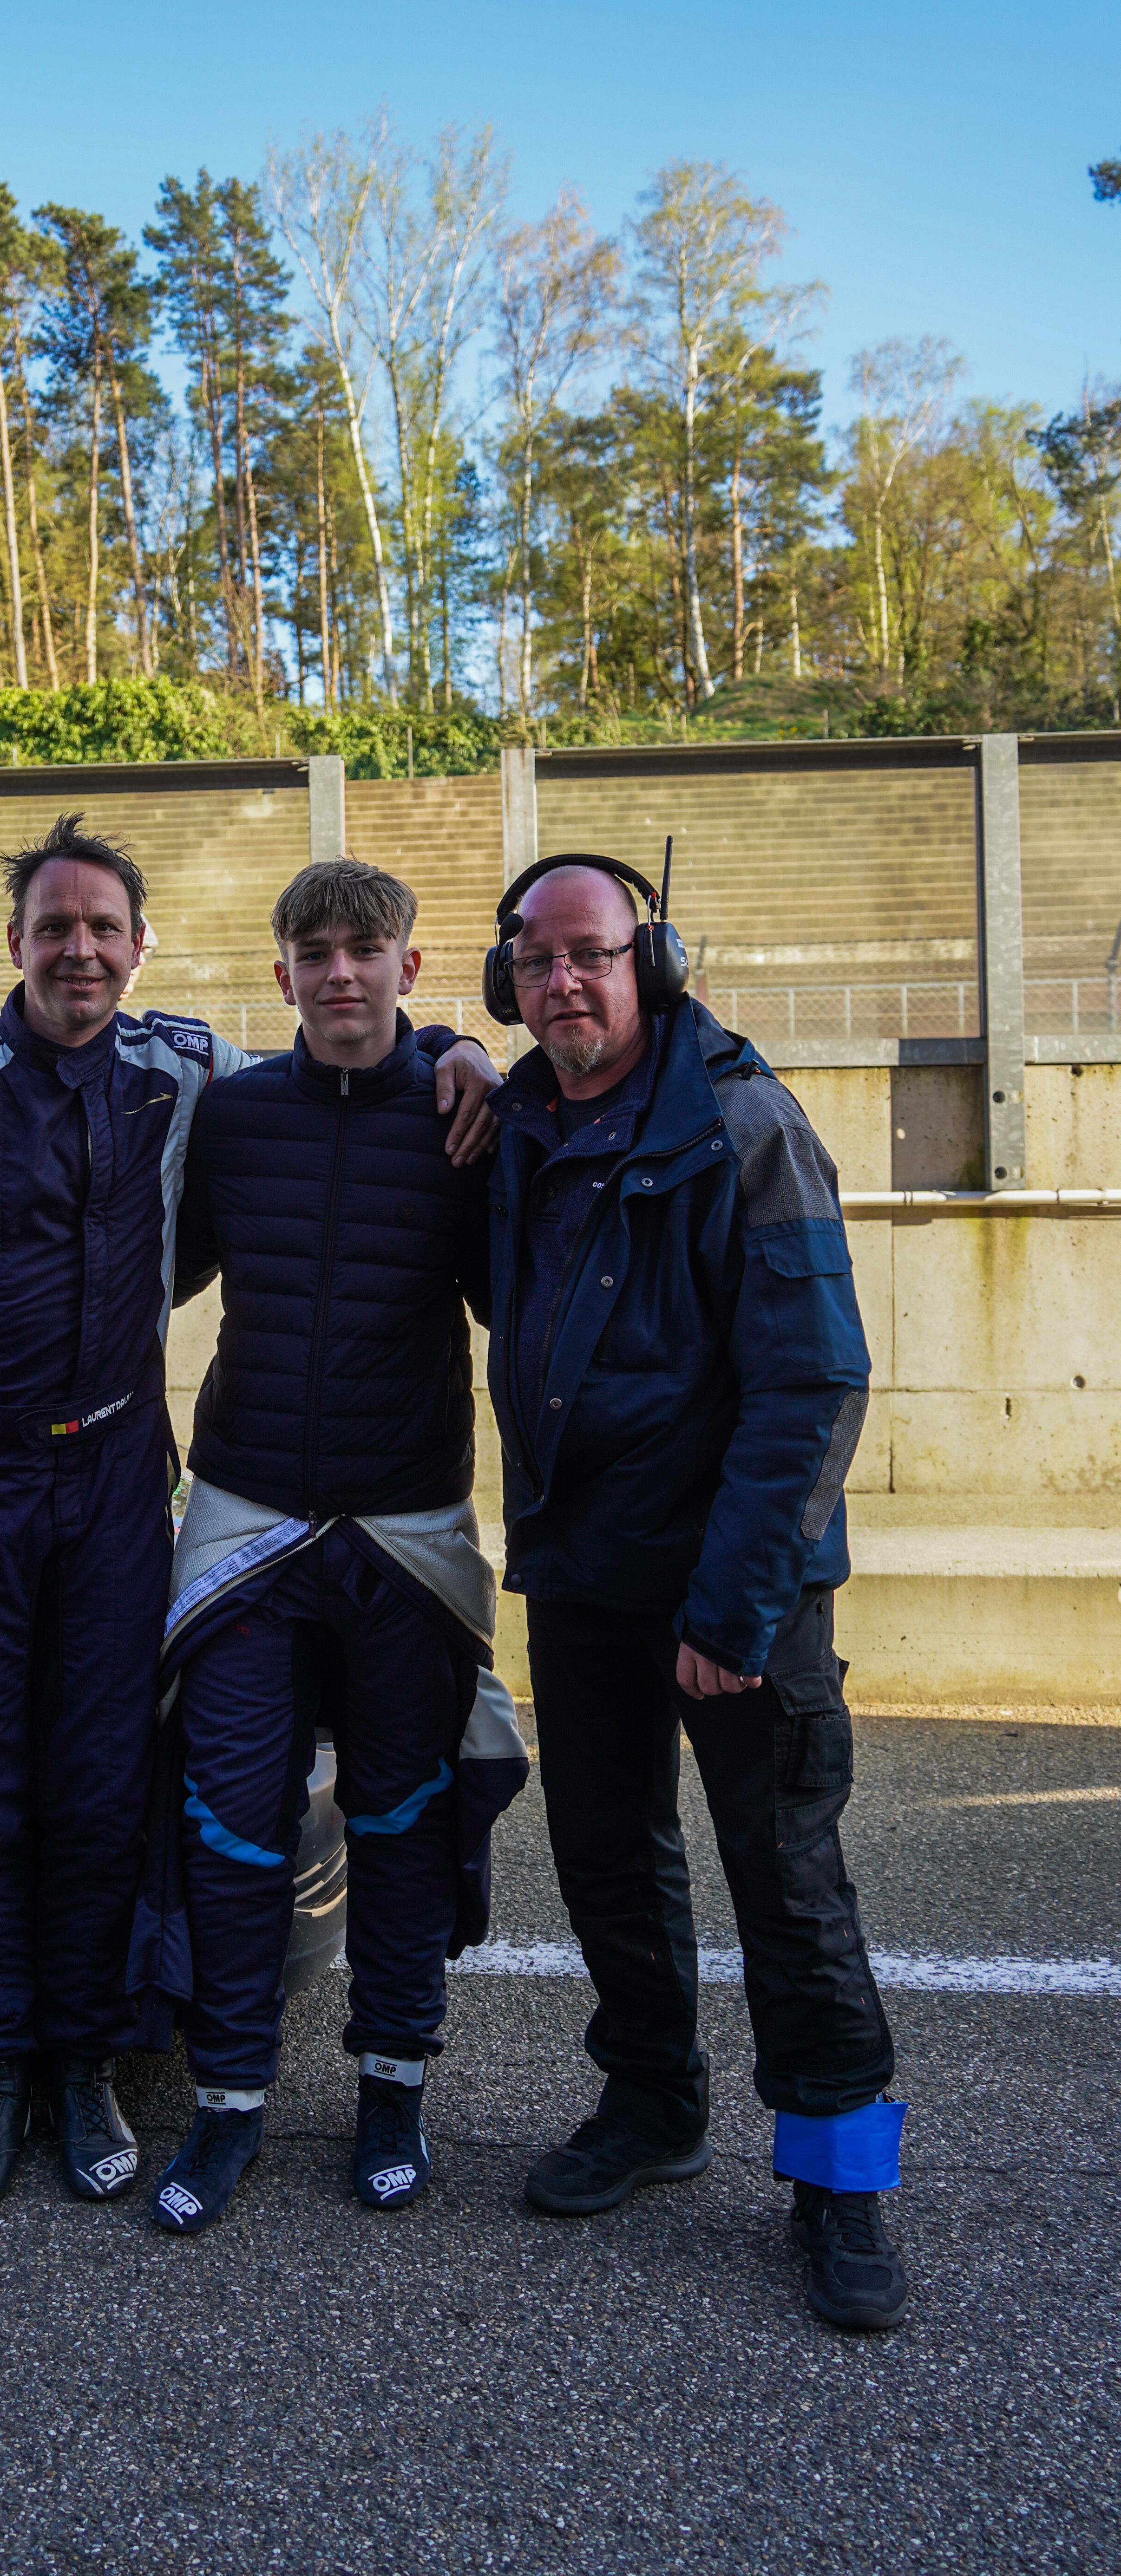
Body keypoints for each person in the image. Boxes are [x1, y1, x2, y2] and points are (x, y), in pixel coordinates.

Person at [0, 813, 499, 2217]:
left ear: (141, 947)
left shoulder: (188, 1071)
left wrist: (460, 1048)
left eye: (104, 929)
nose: (80, 950)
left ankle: (87, 2065)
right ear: (14, 944)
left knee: (104, 1795)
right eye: (54, 928)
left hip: (124, 1484)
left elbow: (347, 1048)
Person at [482, 851, 907, 2333]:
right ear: (507, 983)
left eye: (591, 954)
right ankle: (654, 2103)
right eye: (536, 960)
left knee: (785, 1878)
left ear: (649, 965)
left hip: (736, 1588)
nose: (564, 982)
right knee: (606, 1854)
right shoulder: (519, 1123)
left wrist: (732, 1609)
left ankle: (842, 2182)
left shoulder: (744, 1123)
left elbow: (815, 1382)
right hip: (584, 1569)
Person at [139, 858, 528, 2237]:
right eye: (315, 952)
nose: (341, 973)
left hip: (407, 1533)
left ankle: (393, 2090)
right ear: (285, 972)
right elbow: (140, 1278)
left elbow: (528, 1312)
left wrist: (471, 1057)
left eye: (366, 949)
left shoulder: (469, 1118)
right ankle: (229, 2098)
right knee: (232, 1823)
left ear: (410, 968)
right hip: (248, 1525)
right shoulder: (234, 1118)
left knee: (403, 1823)